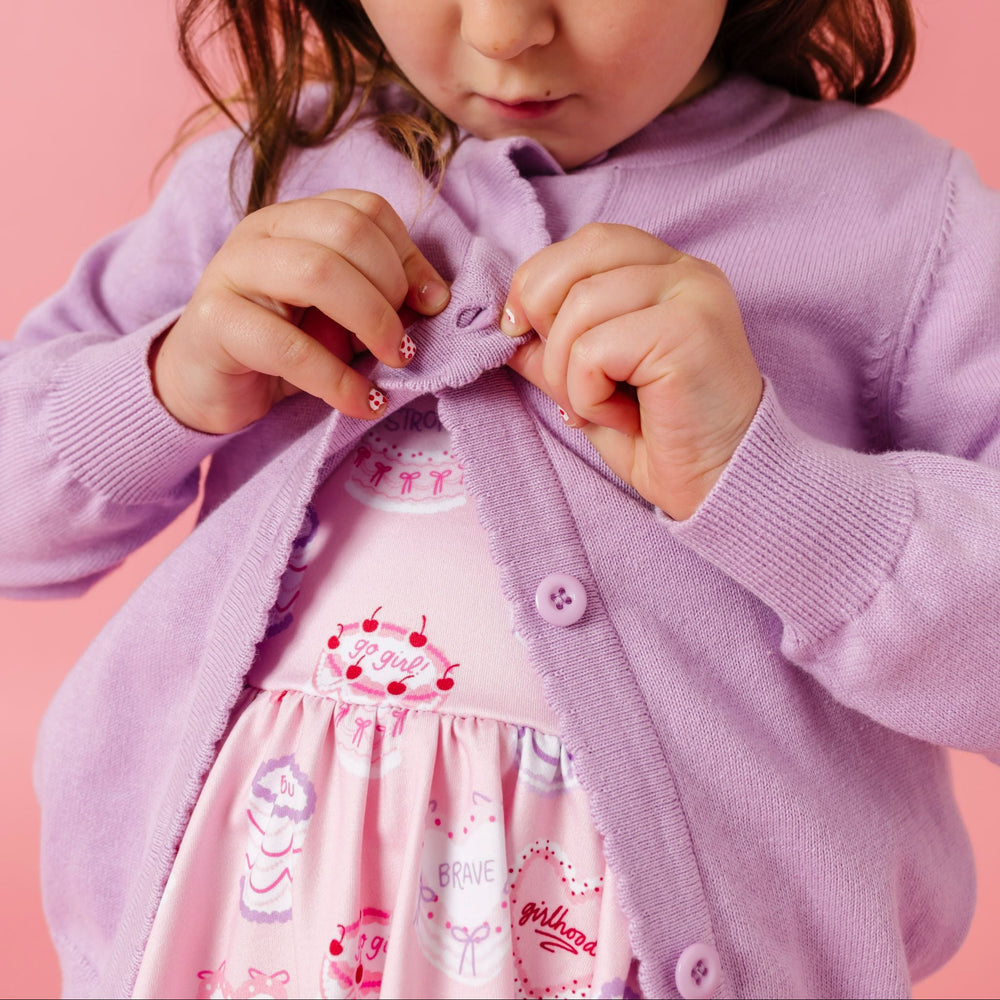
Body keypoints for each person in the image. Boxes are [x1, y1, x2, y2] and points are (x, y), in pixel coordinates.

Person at [3, 0, 999, 995]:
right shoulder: (272, 171)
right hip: (230, 948)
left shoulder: (896, 218)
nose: (505, 32)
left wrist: (775, 489)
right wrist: (169, 381)